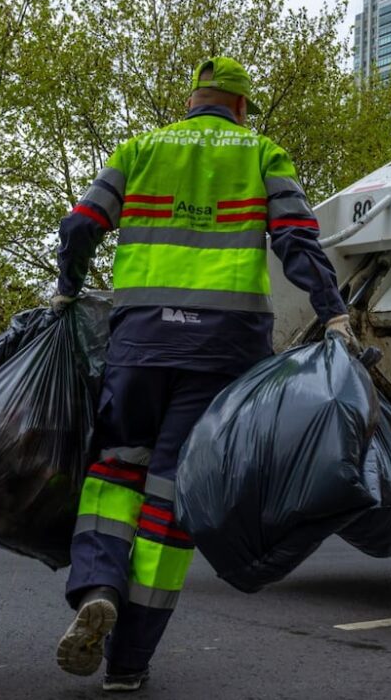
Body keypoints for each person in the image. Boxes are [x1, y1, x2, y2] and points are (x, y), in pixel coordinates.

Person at [51, 56, 358, 692]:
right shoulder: (262, 153)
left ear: (192, 100)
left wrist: (67, 289)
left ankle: (98, 585)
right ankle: (128, 663)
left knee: (114, 471)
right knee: (170, 501)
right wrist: (334, 315)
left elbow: (82, 224)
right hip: (221, 355)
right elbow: (297, 239)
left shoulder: (139, 149)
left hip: (138, 344)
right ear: (242, 106)